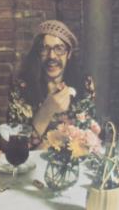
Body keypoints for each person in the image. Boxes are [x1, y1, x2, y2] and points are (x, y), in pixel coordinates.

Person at [7, 20, 97, 148]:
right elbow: (17, 146)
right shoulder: (21, 86)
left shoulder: (84, 84)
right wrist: (47, 110)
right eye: (45, 48)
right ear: (38, 53)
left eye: (59, 48)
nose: (52, 56)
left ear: (69, 53)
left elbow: (86, 138)